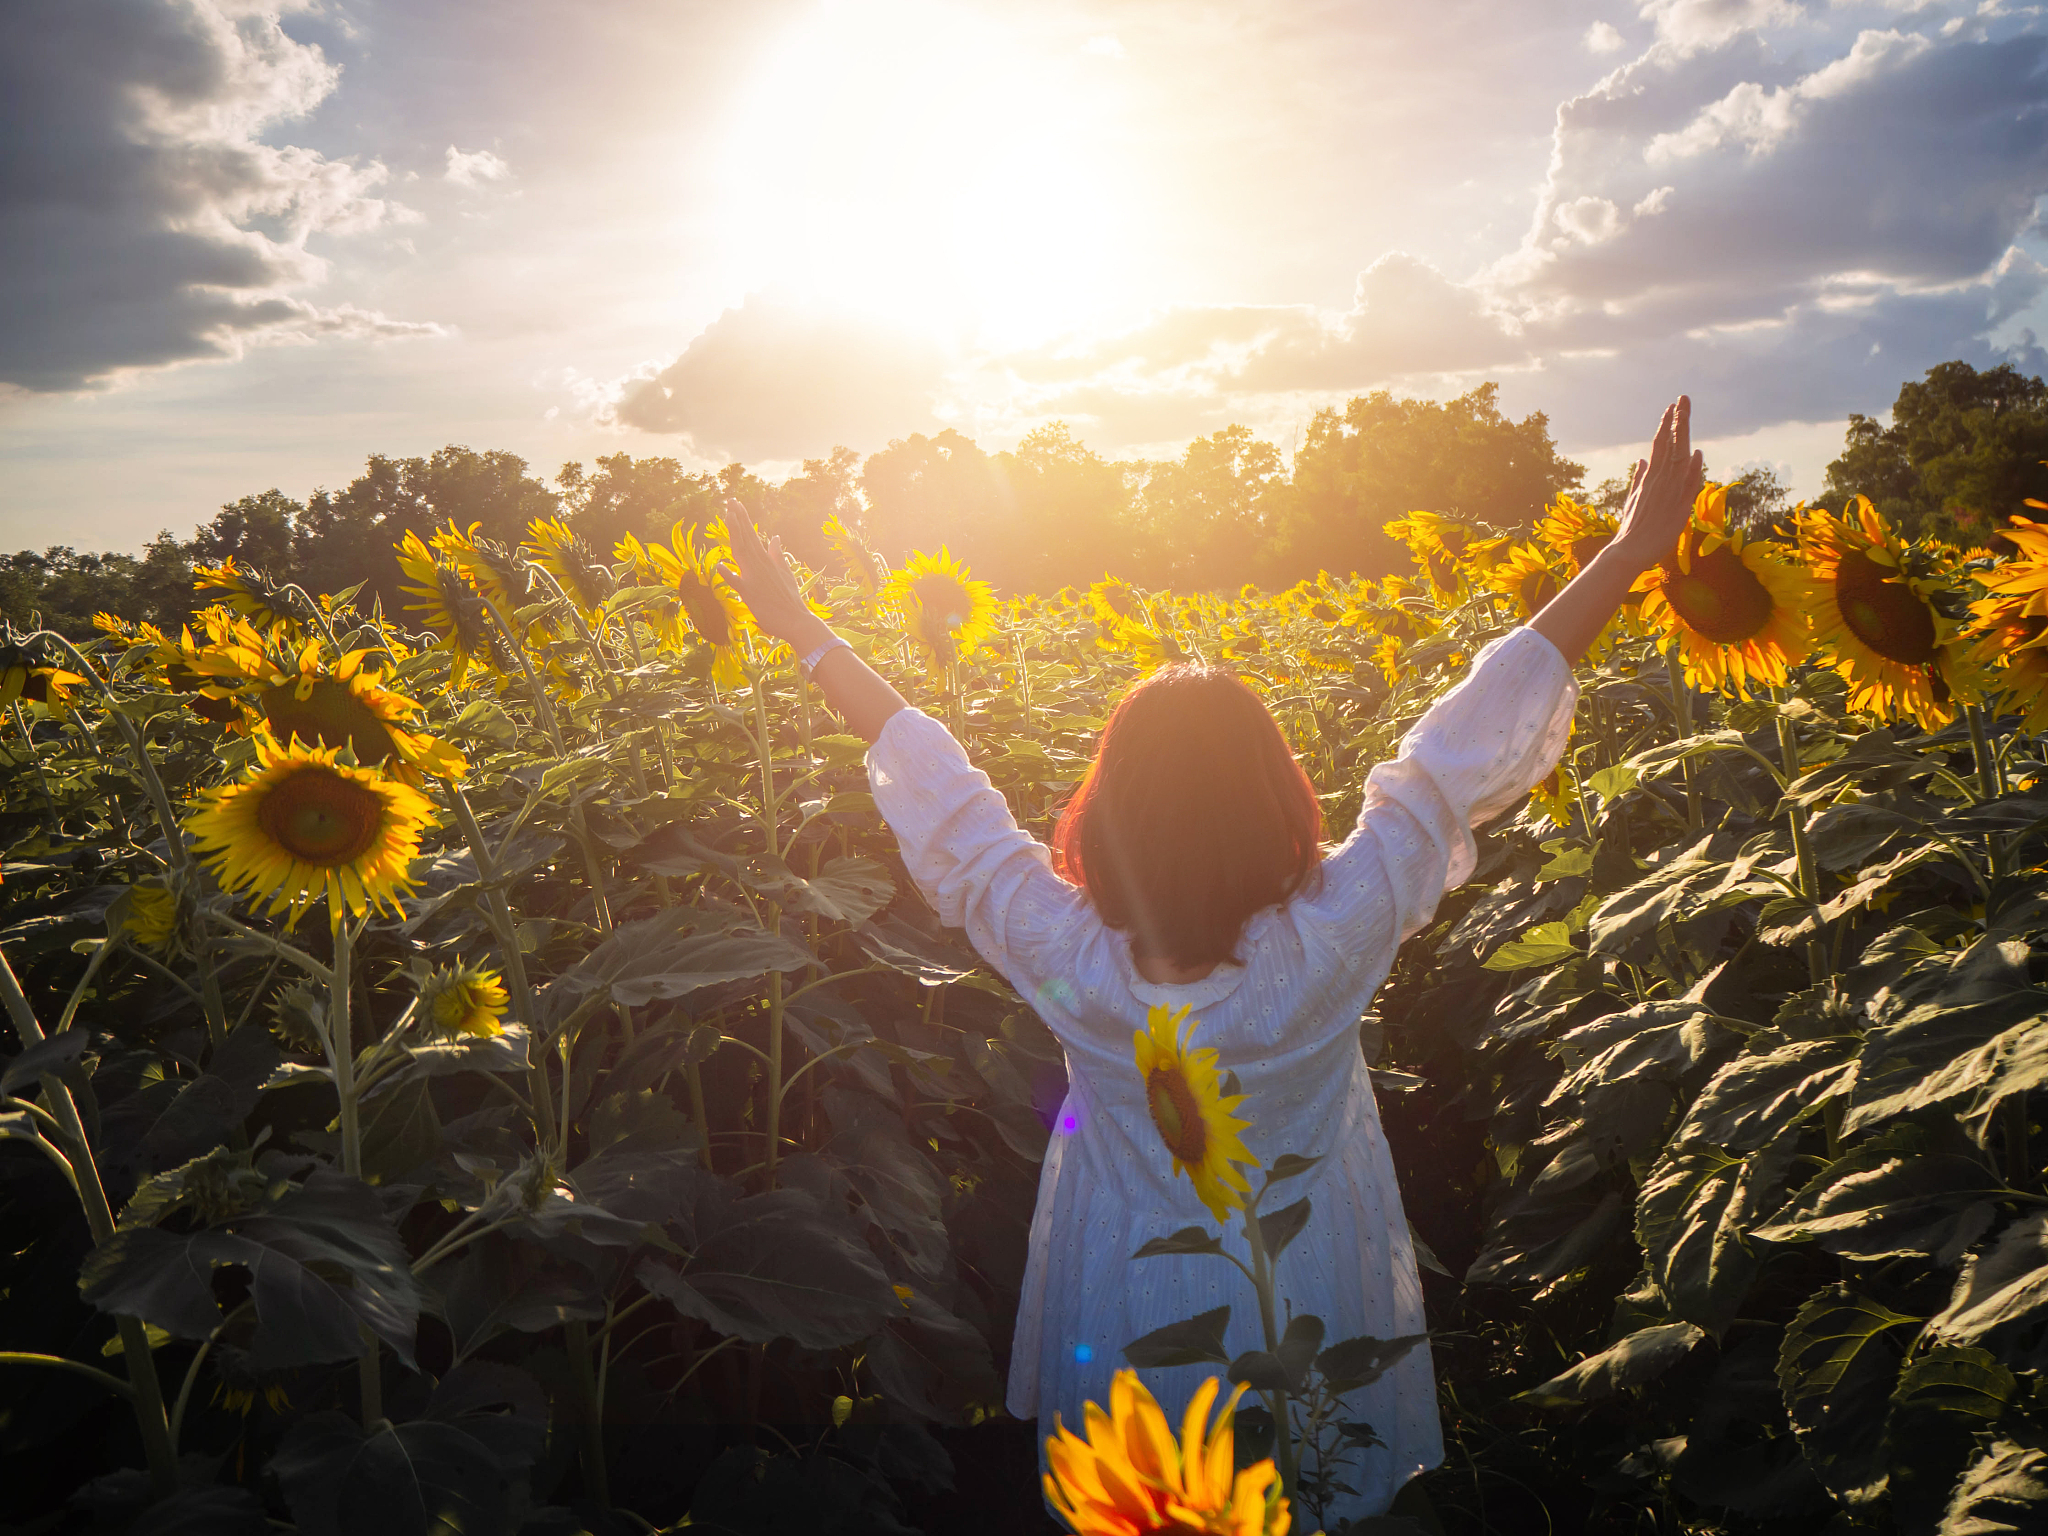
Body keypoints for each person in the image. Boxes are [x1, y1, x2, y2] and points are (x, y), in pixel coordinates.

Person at [724, 398, 1705, 1522]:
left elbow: (943, 793)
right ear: (1274, 800)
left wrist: (801, 627)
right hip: (1304, 1273)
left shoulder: (1065, 954)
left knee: (1141, 1497)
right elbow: (1456, 745)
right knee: (1311, 1469)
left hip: (1129, 1280)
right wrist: (1628, 553)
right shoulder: (1336, 928)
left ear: (1109, 818)